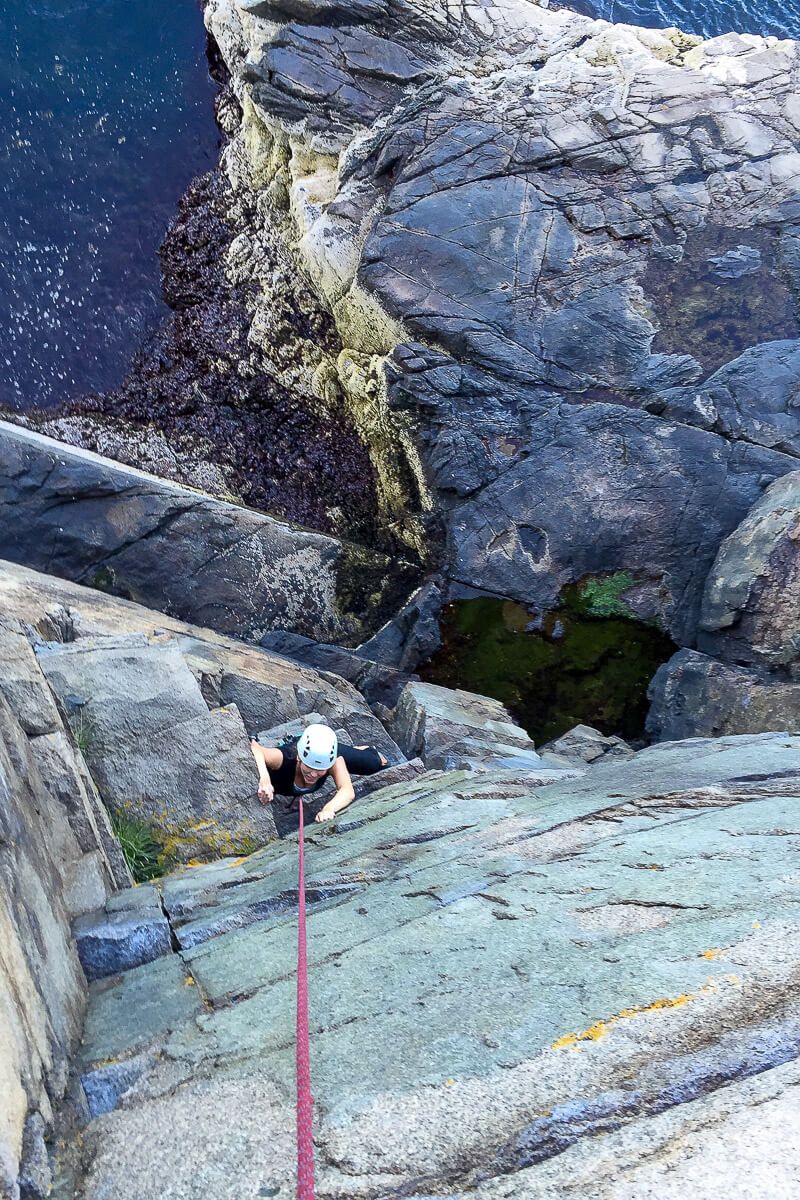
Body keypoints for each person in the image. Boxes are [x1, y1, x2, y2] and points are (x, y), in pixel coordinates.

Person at [249, 723, 388, 834]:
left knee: (376, 763)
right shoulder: (284, 758)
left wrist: (329, 809)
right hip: (305, 751)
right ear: (299, 759)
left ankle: (359, 749)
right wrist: (265, 779)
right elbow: (255, 748)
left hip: (324, 752)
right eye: (309, 768)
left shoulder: (333, 761)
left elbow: (347, 791)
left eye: (320, 771)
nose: (313, 775)